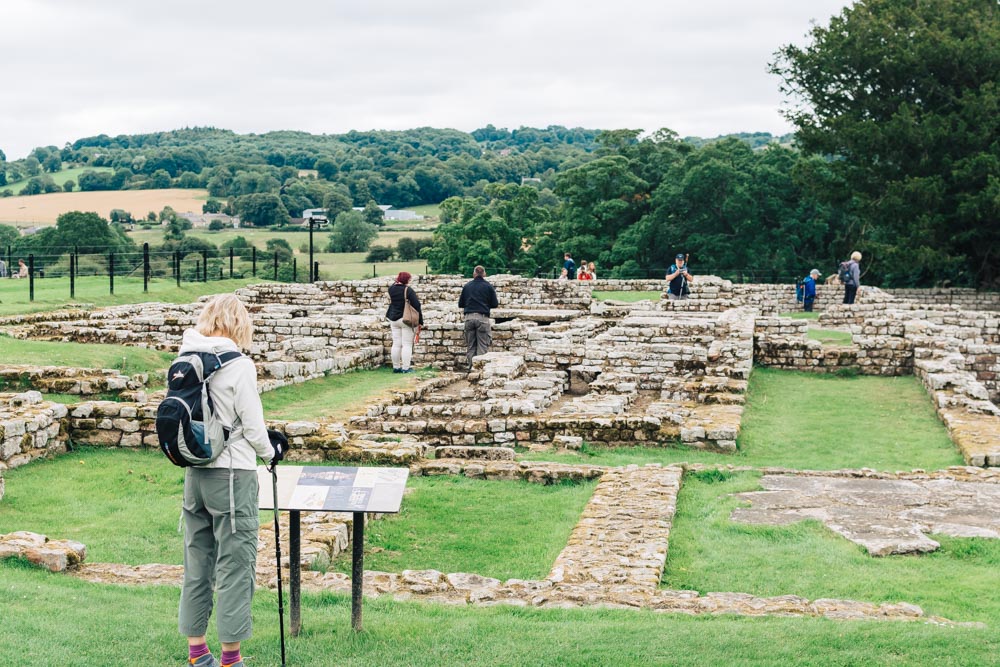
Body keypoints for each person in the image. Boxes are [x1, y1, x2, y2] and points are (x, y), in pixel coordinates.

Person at [177, 294, 282, 667]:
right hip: (232, 472)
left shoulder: (186, 356)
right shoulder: (238, 364)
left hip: (195, 471)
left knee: (197, 558)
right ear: (238, 324)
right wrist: (271, 453)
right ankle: (231, 658)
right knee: (236, 564)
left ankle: (196, 651)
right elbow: (252, 426)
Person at [458, 265, 499, 370]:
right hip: (482, 318)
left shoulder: (467, 286)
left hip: (469, 318)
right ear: (484, 274)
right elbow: (495, 304)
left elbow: (460, 304)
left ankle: (471, 368)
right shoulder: (488, 286)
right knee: (482, 345)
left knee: (471, 346)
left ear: (474, 274)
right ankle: (479, 370)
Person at [385, 271, 423, 374]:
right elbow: (417, 305)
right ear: (407, 280)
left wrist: (397, 280)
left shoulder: (391, 289)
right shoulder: (408, 290)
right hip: (405, 319)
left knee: (396, 344)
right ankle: (406, 368)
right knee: (407, 344)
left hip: (393, 319)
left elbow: (394, 284)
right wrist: (420, 321)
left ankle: (396, 367)